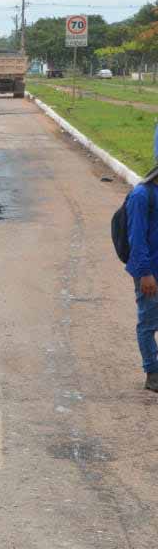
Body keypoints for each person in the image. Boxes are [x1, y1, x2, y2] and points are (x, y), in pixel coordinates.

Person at [125, 165, 158, 393]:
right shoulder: (141, 195)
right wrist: (145, 273)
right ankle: (153, 374)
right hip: (150, 273)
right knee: (148, 324)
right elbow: (136, 239)